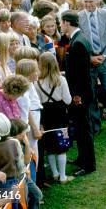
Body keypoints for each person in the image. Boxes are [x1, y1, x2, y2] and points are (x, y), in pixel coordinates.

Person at [78, 0, 106, 140]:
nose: (89, 4)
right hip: (88, 62)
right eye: (86, 2)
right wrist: (89, 58)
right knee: (91, 95)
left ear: (97, 1)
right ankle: (95, 127)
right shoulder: (79, 17)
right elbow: (78, 41)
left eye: (91, 1)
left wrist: (104, 55)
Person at [60, 10, 96, 176]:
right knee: (81, 129)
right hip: (80, 92)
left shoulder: (78, 42)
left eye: (61, 22)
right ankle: (82, 158)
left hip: (80, 94)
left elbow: (81, 73)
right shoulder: (77, 39)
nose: (61, 26)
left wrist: (77, 96)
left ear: (67, 22)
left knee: (84, 129)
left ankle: (88, 164)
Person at [35, 52, 73, 184]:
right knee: (61, 145)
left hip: (46, 115)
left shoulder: (37, 82)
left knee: (49, 145)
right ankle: (63, 176)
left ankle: (55, 173)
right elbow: (68, 100)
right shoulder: (61, 80)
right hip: (60, 114)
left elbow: (38, 101)